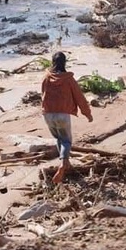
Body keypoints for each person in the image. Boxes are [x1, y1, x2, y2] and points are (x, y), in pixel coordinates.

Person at [40, 51, 93, 184]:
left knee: (58, 138)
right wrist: (87, 113)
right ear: (64, 63)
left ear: (52, 62)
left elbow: (43, 94)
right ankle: (63, 164)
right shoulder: (68, 79)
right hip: (62, 114)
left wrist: (45, 110)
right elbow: (79, 97)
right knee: (66, 140)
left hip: (48, 114)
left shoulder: (47, 77)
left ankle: (65, 161)